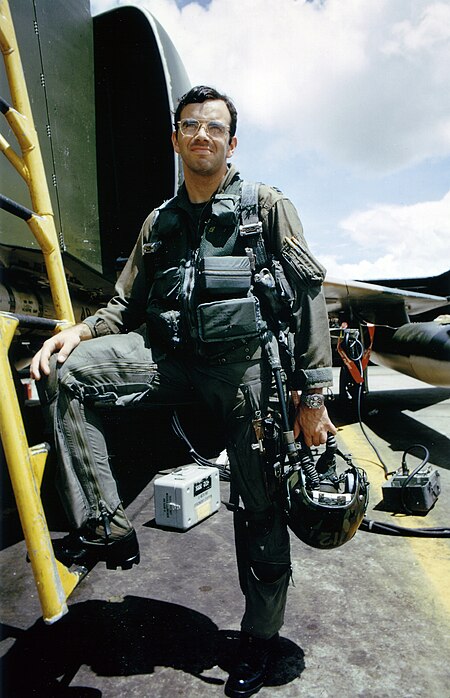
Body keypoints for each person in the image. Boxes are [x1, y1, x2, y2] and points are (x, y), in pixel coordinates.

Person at [31, 85, 336, 698]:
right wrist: (80, 332)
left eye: (214, 128)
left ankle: (259, 639)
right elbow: (126, 305)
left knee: (261, 508)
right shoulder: (159, 224)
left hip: (246, 377)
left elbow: (309, 303)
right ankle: (105, 525)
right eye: (190, 126)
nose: (202, 135)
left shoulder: (265, 206)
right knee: (71, 372)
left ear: (231, 141)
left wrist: (312, 400)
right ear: (176, 138)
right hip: (171, 362)